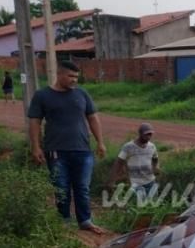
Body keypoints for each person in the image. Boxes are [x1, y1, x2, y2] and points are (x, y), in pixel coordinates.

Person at [28, 60, 106, 234]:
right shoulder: (42, 95)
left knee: (82, 188)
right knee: (61, 188)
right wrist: (36, 147)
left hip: (83, 150)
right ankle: (64, 222)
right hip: (56, 150)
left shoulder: (82, 94)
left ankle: (85, 221)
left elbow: (93, 118)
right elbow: (35, 122)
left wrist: (100, 142)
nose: (74, 80)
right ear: (60, 74)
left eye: (76, 77)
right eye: (70, 76)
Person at [108, 123, 160, 203]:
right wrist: (112, 180)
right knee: (138, 206)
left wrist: (155, 167)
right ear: (140, 134)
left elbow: (155, 159)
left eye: (150, 134)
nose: (149, 137)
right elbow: (118, 163)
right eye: (146, 134)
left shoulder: (152, 146)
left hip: (150, 181)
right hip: (136, 183)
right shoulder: (128, 147)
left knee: (153, 206)